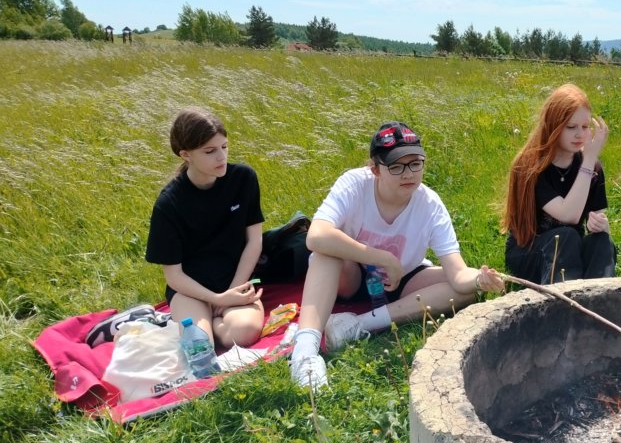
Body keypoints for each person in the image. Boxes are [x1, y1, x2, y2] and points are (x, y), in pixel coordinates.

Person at [289, 121, 505, 390]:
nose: (408, 174)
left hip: (402, 281)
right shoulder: (354, 184)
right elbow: (316, 236)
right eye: (396, 166)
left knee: (463, 292)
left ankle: (357, 326)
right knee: (325, 253)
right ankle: (305, 351)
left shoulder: (429, 205)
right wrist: (382, 258)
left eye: (416, 164)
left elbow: (458, 272)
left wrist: (479, 279)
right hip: (350, 277)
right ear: (375, 169)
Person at [145, 107, 265, 348]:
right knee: (199, 345)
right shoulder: (169, 203)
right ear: (185, 154)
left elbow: (254, 241)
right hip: (191, 289)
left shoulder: (243, 178)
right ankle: (204, 323)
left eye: (224, 147)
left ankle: (211, 323)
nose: (221, 157)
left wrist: (234, 290)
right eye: (210, 151)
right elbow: (174, 276)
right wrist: (216, 299)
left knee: (244, 333)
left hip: (236, 279)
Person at [502, 83, 616, 284]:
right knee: (565, 236)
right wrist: (589, 161)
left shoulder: (592, 167)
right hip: (529, 251)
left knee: (601, 242)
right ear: (553, 127)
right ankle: (561, 300)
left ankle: (600, 297)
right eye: (571, 127)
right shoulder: (531, 167)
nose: (580, 134)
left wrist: (601, 226)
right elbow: (569, 215)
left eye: (585, 127)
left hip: (571, 250)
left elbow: (596, 218)